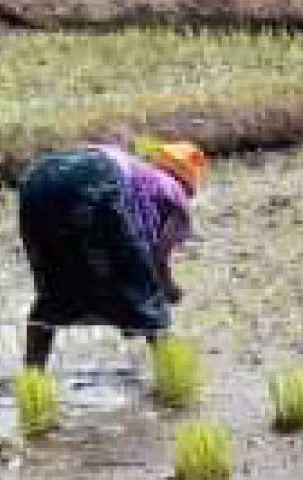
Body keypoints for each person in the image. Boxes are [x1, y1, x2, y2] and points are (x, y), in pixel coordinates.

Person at [15, 138, 207, 372]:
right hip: (99, 176)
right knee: (147, 298)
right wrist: (167, 288)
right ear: (189, 185)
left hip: (38, 177)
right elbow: (158, 258)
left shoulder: (139, 172)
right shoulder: (176, 194)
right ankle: (172, 374)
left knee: (53, 285)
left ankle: (32, 373)